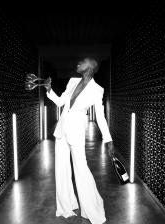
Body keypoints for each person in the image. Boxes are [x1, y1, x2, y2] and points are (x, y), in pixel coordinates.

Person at [44, 57, 114, 224]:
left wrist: (108, 139)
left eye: (82, 62)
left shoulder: (97, 90)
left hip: (77, 130)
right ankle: (66, 206)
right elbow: (61, 102)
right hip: (62, 129)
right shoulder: (72, 81)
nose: (78, 63)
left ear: (90, 68)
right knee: (61, 170)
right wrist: (49, 90)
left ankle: (92, 209)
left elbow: (100, 117)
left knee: (81, 169)